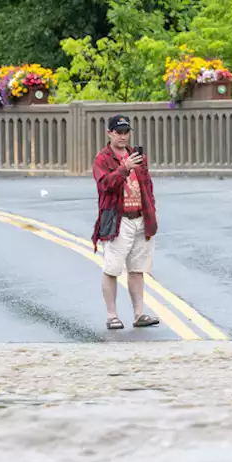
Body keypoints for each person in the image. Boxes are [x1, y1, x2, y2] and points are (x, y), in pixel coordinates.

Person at [91, 114, 160, 330]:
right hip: (118, 220)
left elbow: (147, 186)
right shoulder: (102, 159)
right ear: (109, 133)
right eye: (118, 132)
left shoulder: (137, 156)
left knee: (138, 269)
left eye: (126, 132)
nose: (123, 136)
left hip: (140, 217)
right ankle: (112, 315)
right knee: (112, 268)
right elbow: (105, 185)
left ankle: (139, 313)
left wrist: (152, 215)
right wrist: (124, 168)